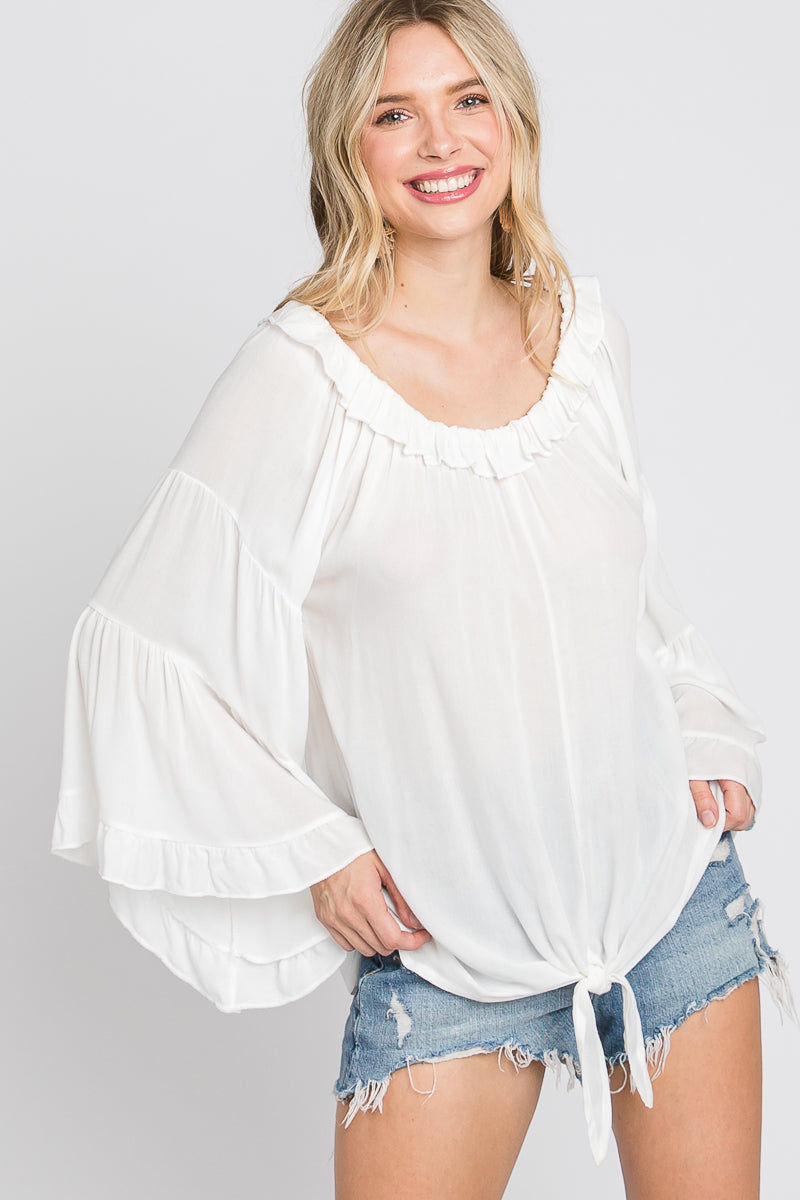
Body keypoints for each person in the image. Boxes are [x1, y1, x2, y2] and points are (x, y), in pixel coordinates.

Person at [50, 1, 796, 1196]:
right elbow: (138, 644)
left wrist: (704, 723)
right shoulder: (302, 376)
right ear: (348, 146)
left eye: (466, 100)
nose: (440, 140)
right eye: (394, 113)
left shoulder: (582, 332)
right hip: (449, 948)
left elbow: (629, 592)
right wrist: (317, 850)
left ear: (511, 121)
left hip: (671, 905)